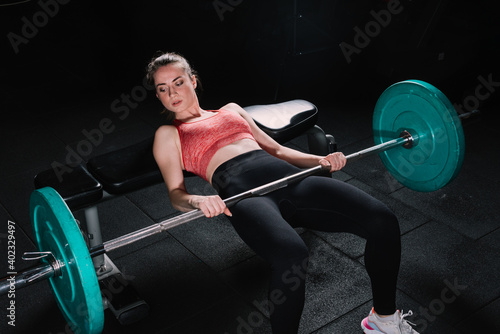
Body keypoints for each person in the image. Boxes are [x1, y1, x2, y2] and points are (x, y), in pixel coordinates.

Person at [147, 51, 419, 334]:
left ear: (193, 80)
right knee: (291, 255)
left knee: (382, 219)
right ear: (159, 96)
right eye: (163, 89)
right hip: (246, 196)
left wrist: (320, 161)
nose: (172, 93)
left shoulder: (231, 110)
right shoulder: (168, 134)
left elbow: (276, 150)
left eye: (178, 82)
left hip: (291, 178)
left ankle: (383, 319)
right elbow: (176, 194)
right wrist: (198, 199)